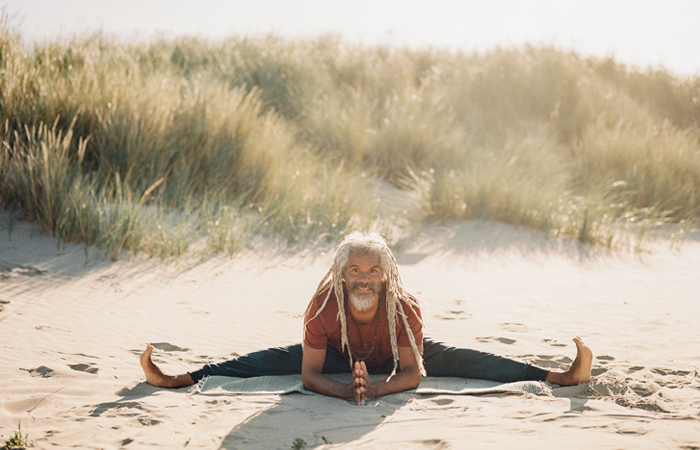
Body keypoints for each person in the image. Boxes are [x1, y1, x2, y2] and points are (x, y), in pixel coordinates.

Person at [140, 231, 592, 406]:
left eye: (373, 270)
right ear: (340, 274)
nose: (364, 278)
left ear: (386, 275)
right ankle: (179, 378)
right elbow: (309, 374)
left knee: (468, 360)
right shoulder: (322, 306)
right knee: (264, 359)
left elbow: (413, 373)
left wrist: (376, 389)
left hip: (395, 355)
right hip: (338, 356)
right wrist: (343, 390)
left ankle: (558, 375)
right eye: (354, 270)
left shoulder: (403, 307)